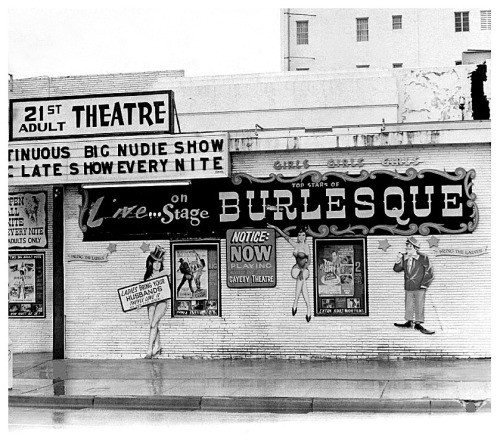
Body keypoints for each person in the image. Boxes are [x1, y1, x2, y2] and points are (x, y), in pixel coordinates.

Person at [268, 224, 312, 322]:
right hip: (296, 269)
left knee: (301, 279)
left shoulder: (306, 246)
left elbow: (308, 261)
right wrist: (276, 228)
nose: (301, 237)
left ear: (305, 236)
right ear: (297, 236)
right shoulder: (296, 245)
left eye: (303, 235)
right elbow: (285, 236)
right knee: (302, 281)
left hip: (304, 269)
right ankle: (308, 307)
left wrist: (302, 270)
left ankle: (296, 303)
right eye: (300, 235)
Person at [393, 236, 435, 335]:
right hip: (408, 285)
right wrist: (398, 260)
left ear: (415, 247)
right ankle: (409, 321)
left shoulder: (423, 257)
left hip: (420, 285)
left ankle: (418, 323)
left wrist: (425, 284)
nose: (407, 247)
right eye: (407, 245)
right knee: (409, 303)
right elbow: (397, 269)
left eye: (409, 246)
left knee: (419, 304)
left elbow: (429, 272)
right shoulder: (405, 258)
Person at [143, 245, 169, 358]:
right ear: (151, 263)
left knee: (154, 323)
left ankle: (149, 349)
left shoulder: (165, 273)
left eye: (159, 262)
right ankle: (157, 345)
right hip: (151, 303)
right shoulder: (148, 278)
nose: (157, 264)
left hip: (162, 301)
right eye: (155, 262)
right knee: (153, 324)